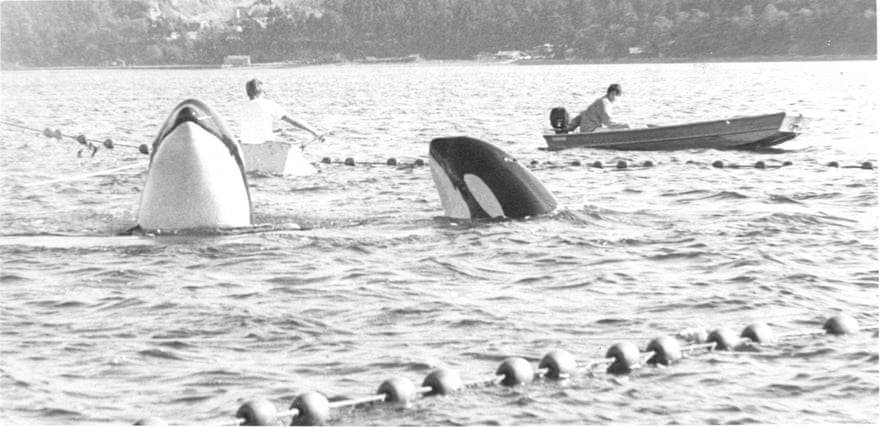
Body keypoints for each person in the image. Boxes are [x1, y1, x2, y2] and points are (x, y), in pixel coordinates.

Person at [239, 78, 324, 146]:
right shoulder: (266, 103)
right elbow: (293, 121)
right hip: (264, 144)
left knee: (280, 132)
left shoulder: (243, 107)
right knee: (291, 137)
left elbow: (255, 128)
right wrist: (314, 131)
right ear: (261, 92)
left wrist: (276, 132)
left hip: (247, 144)